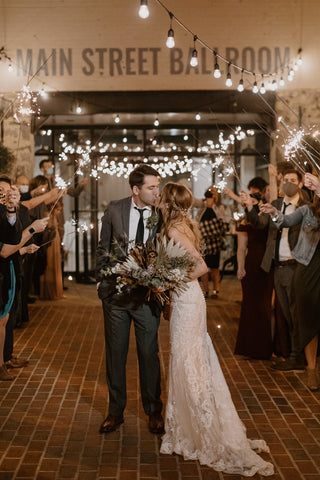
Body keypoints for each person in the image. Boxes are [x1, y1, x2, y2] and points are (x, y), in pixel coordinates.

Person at [158, 182, 273, 476]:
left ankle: (200, 430)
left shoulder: (173, 230)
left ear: (168, 203)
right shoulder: (182, 225)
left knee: (187, 360)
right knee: (191, 359)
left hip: (186, 298)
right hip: (189, 298)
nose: (157, 201)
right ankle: (188, 426)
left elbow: (200, 268)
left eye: (161, 198)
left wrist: (167, 281)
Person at [96, 164, 164, 435]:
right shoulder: (114, 209)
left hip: (147, 297)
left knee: (149, 353)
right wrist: (107, 277)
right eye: (151, 187)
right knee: (116, 354)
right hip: (116, 297)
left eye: (157, 186)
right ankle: (115, 411)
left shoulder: (161, 214)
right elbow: (102, 248)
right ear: (136, 190)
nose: (156, 191)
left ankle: (154, 410)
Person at [260, 172, 320, 391]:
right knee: (308, 319)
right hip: (307, 269)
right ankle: (311, 370)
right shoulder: (306, 210)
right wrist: (274, 212)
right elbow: (285, 220)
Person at [244, 169, 306, 370]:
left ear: (301, 183)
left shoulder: (305, 206)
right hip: (277, 266)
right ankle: (294, 354)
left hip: (296, 266)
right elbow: (260, 223)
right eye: (285, 180)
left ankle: (298, 356)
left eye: (292, 180)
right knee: (286, 313)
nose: (288, 183)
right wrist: (249, 208)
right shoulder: (277, 204)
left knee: (298, 313)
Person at [197, 188, 226, 298]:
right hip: (204, 241)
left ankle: (216, 290)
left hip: (215, 242)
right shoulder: (202, 206)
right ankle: (206, 290)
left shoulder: (219, 208)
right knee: (203, 267)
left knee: (215, 267)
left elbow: (222, 222)